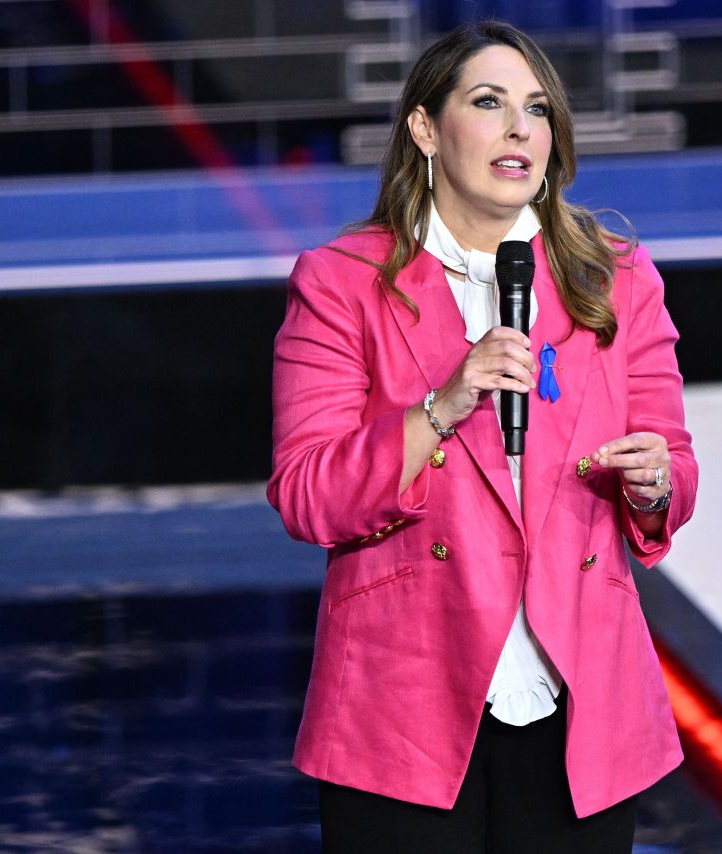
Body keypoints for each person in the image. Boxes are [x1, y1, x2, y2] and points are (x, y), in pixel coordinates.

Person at [267, 20, 697, 854]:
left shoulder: (618, 276)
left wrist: (655, 484)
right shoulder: (342, 283)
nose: (519, 129)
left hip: (581, 702)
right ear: (426, 128)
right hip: (403, 706)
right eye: (489, 102)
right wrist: (442, 404)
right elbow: (307, 494)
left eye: (537, 109)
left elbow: (676, 468)